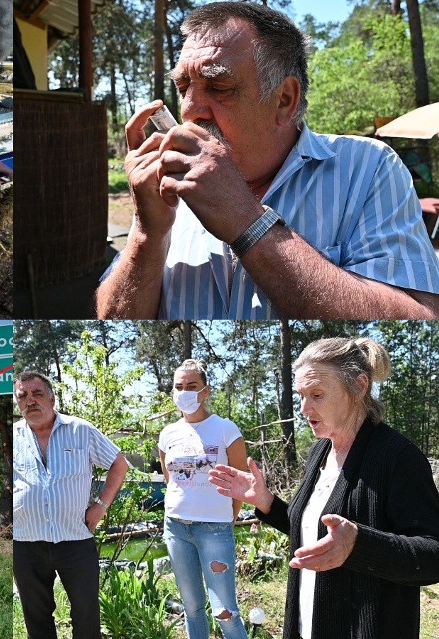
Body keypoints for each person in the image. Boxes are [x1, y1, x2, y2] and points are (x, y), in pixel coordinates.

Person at [96, 1, 439, 319]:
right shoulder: (168, 184)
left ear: (284, 100)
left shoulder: (368, 168)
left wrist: (247, 221)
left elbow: (421, 316)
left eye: (218, 87)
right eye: (184, 85)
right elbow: (110, 321)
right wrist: (146, 232)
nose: (189, 109)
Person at [209, 337, 439, 639]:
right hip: (307, 625)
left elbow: (432, 555)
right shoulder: (321, 451)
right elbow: (314, 532)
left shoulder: (398, 457)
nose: (304, 408)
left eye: (316, 394)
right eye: (301, 395)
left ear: (359, 386)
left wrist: (359, 545)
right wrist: (267, 502)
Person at [13, 370, 129, 639]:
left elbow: (118, 464)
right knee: (36, 617)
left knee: (86, 614)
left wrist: (101, 505)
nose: (30, 401)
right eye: (23, 396)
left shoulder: (80, 430)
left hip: (75, 539)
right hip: (26, 543)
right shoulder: (14, 436)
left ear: (52, 399)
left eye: (37, 393)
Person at [158, 360, 249, 639]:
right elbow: (169, 478)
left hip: (214, 529)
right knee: (192, 607)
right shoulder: (167, 434)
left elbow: (240, 483)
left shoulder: (225, 429)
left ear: (205, 391)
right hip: (175, 528)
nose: (184, 392)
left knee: (225, 612)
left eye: (192, 386)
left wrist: (226, 519)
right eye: (179, 386)